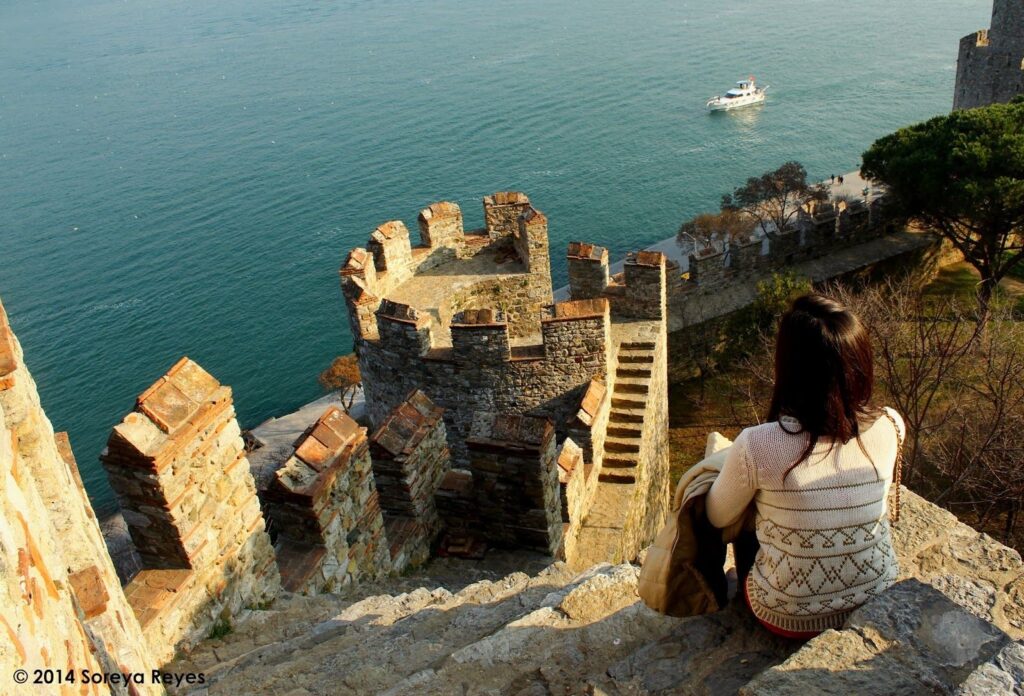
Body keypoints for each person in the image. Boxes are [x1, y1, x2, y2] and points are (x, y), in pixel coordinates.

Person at [706, 294, 904, 640]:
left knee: (748, 510)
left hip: (787, 616)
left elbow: (717, 517)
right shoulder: (892, 424)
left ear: (789, 366)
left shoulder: (759, 444)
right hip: (877, 592)